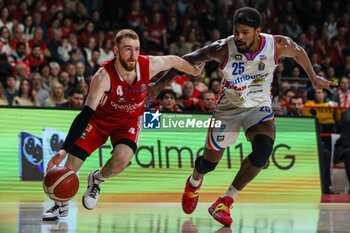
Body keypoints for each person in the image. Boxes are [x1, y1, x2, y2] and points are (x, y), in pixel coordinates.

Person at [147, 7, 336, 227]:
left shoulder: (277, 44)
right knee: (209, 164)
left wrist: (313, 78)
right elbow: (185, 60)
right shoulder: (222, 48)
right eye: (236, 31)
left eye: (245, 32)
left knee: (263, 150)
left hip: (259, 105)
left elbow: (298, 51)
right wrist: (159, 86)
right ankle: (194, 181)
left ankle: (225, 202)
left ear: (258, 31)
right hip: (229, 107)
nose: (239, 37)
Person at [42, 29, 202, 221]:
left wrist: (193, 70)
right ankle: (61, 205)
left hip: (129, 121)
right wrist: (63, 149)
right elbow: (85, 115)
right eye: (127, 49)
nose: (133, 55)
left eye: (136, 49)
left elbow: (174, 61)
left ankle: (97, 179)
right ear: (116, 51)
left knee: (122, 159)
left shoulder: (148, 64)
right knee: (69, 167)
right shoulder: (103, 76)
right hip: (99, 121)